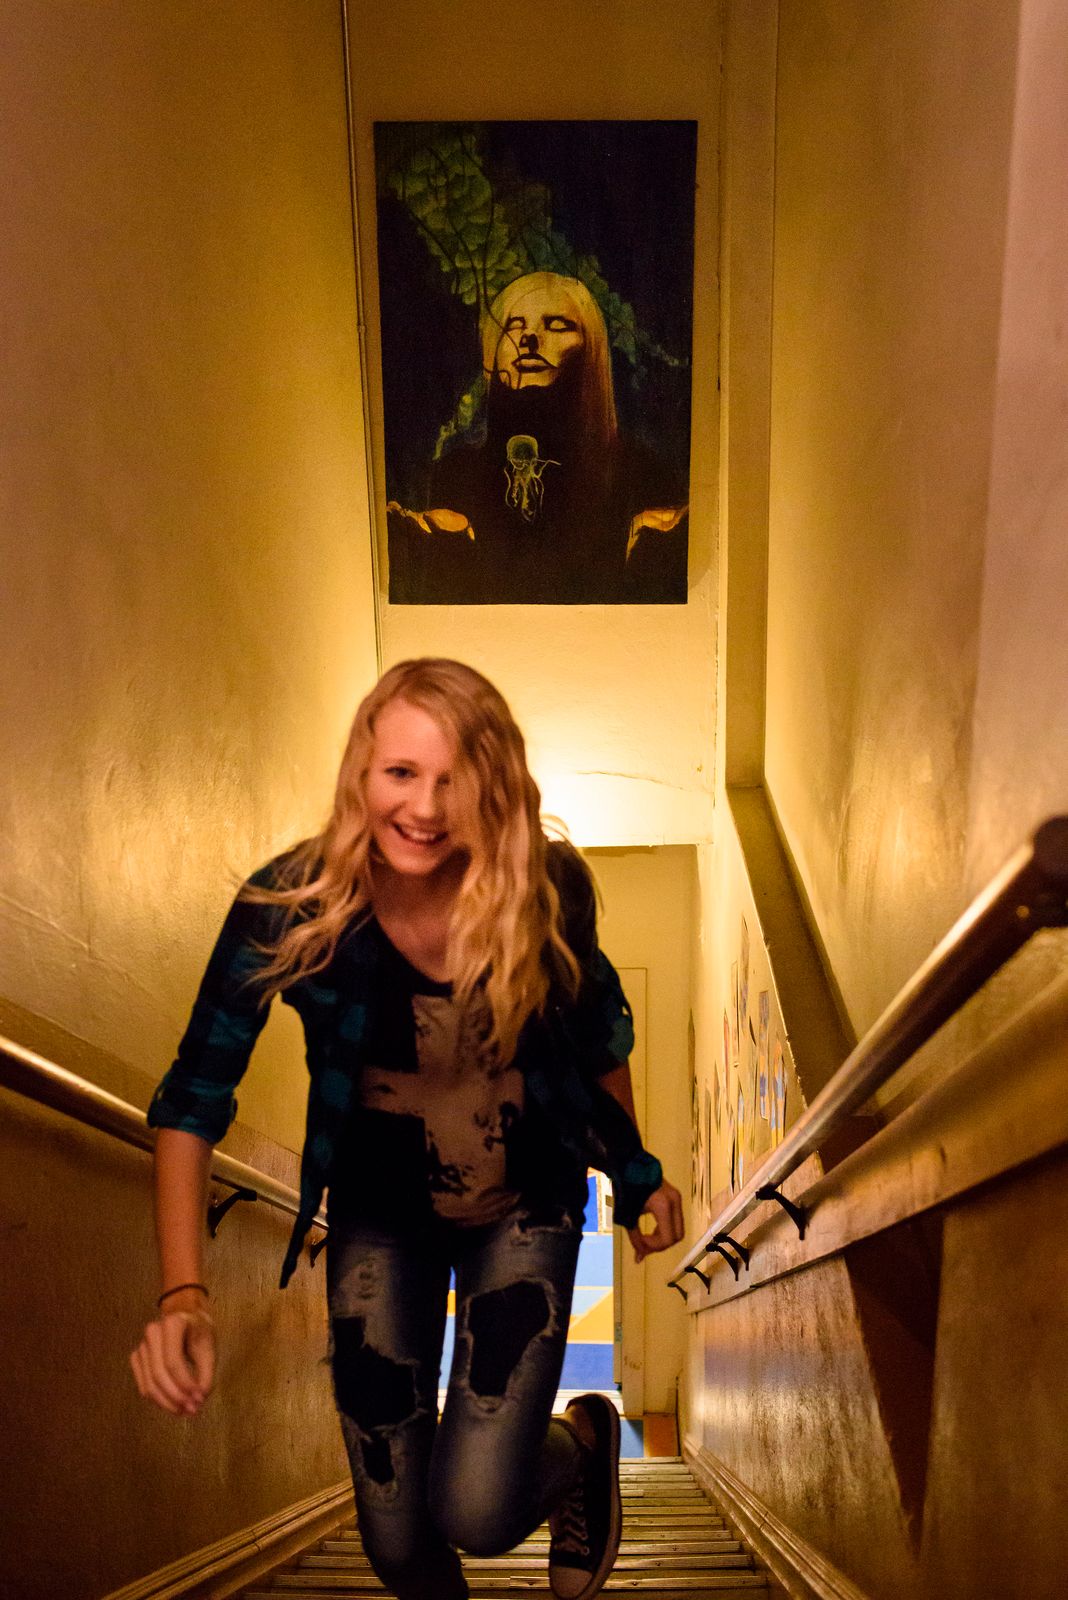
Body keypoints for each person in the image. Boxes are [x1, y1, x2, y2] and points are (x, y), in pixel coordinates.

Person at [129, 657, 684, 1600]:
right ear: (362, 772)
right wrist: (184, 1295)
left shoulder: (544, 888)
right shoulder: (293, 905)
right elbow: (193, 1097)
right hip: (379, 1218)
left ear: (494, 785)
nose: (424, 808)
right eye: (401, 773)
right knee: (395, 1540)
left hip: (525, 1205)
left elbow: (597, 1040)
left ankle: (582, 1448)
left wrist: (635, 1176)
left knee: (477, 1512)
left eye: (453, 779)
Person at [387, 273, 688, 605]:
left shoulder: (640, 470)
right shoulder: (457, 472)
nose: (528, 338)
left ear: (592, 345)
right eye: (513, 326)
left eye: (557, 326)